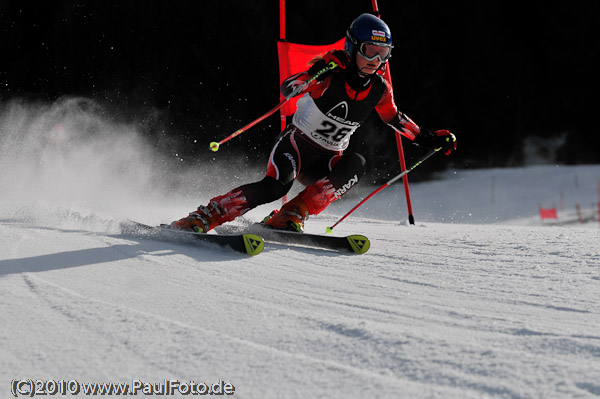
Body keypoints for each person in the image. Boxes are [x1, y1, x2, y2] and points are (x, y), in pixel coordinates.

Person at [171, 13, 456, 233]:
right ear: (353, 46)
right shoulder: (331, 74)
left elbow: (394, 118)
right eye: (370, 51)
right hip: (295, 146)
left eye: (383, 54)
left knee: (356, 163)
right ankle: (206, 215)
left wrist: (430, 139)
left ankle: (291, 214)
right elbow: (288, 89)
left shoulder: (380, 89)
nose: (375, 60)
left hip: (327, 159)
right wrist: (314, 73)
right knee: (275, 187)